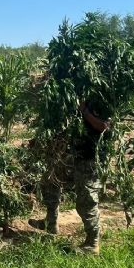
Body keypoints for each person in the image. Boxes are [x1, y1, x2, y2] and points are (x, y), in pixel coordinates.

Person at [29, 100, 109, 255]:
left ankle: (92, 243)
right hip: (70, 149)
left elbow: (103, 126)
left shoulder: (101, 97)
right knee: (51, 181)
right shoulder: (75, 92)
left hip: (90, 155)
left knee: (86, 198)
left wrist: (85, 111)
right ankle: (50, 222)